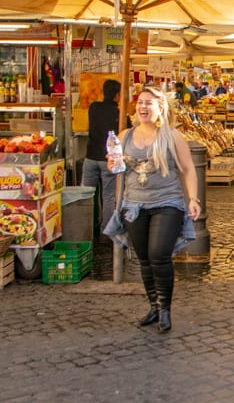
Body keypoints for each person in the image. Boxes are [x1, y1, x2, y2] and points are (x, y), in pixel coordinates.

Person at [107, 87, 200, 333]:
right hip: (134, 205)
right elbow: (117, 170)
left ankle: (166, 309)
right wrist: (113, 165)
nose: (142, 107)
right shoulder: (124, 136)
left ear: (160, 108)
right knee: (145, 258)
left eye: (148, 103)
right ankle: (154, 307)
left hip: (166, 203)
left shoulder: (171, 137)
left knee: (159, 254)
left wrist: (193, 199)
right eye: (139, 102)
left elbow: (189, 169)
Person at [82, 79, 130, 231]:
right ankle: (106, 230)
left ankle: (87, 229)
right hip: (107, 160)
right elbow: (127, 132)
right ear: (117, 95)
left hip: (90, 157)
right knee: (108, 196)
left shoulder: (94, 107)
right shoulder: (120, 114)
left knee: (87, 194)